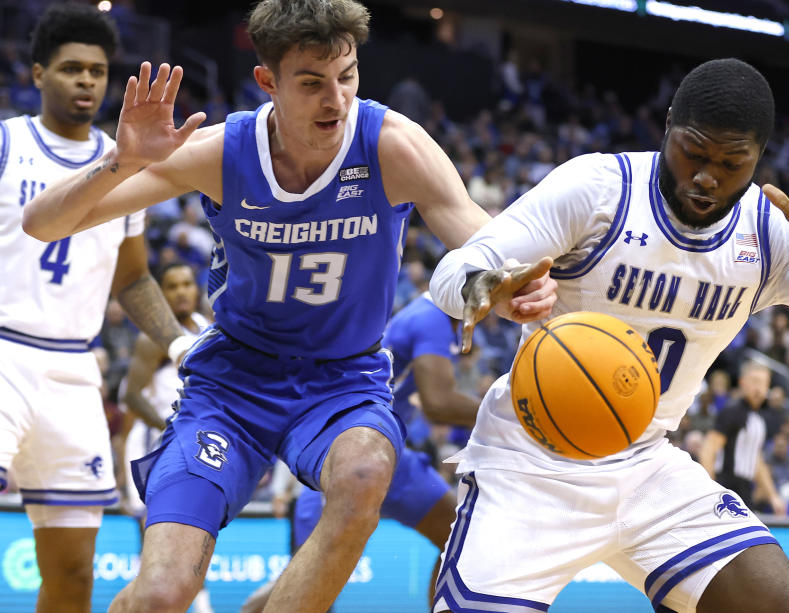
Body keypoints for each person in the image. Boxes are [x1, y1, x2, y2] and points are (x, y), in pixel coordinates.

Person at [22, 1, 556, 611]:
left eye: (347, 76)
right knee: (162, 596)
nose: (336, 100)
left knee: (364, 474)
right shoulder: (222, 151)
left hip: (343, 381)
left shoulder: (393, 145)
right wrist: (127, 160)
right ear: (267, 82)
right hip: (232, 384)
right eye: (311, 83)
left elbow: (481, 241)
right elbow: (42, 224)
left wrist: (509, 286)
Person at [429, 58, 789, 612]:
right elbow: (453, 271)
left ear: (759, 158)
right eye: (694, 153)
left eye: (732, 163)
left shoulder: (772, 232)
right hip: (532, 461)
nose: (708, 176)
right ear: (669, 127)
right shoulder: (598, 188)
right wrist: (490, 288)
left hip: (646, 466)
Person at [0, 6, 192, 613]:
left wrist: (178, 342)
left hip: (74, 374)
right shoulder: (7, 142)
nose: (86, 81)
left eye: (98, 71)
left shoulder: (127, 162)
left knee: (75, 572)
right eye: (71, 69)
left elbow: (132, 277)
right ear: (37, 74)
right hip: (3, 353)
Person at [240, 292, 481, 612]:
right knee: (314, 581)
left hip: (389, 454)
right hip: (348, 450)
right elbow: (438, 403)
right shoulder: (433, 316)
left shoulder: (432, 317)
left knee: (459, 538)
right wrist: (516, 416)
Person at [119, 261, 214, 613]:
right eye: (172, 286)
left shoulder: (208, 329)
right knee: (155, 538)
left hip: (196, 442)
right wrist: (169, 427)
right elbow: (131, 396)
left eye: (187, 283)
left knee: (196, 529)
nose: (181, 292)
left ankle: (199, 603)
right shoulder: (152, 338)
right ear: (161, 293)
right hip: (156, 441)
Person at [699, 361, 786, 514]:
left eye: (763, 383)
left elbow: (757, 462)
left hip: (745, 490)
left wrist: (773, 496)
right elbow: (709, 449)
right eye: (755, 382)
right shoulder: (732, 411)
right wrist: (709, 489)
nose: (759, 388)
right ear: (742, 383)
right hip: (725, 486)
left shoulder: (758, 420)